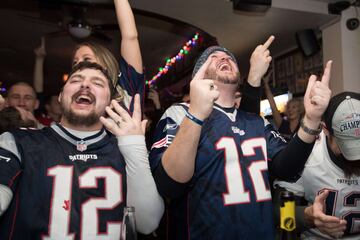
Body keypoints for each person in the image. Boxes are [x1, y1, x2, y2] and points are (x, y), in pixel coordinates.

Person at [149, 35, 333, 240]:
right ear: (199, 76)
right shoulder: (180, 114)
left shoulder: (256, 121)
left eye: (229, 57)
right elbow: (169, 186)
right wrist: (196, 115)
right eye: (213, 57)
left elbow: (286, 169)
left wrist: (312, 119)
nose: (224, 58)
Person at [0, 62, 164, 239]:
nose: (85, 85)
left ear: (110, 102)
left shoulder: (126, 149)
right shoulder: (18, 142)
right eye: (76, 80)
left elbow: (147, 223)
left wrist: (134, 145)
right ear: (61, 96)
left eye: (98, 83)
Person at [274, 91, 360, 239]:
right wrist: (307, 216)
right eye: (345, 145)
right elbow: (278, 215)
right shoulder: (307, 154)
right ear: (325, 130)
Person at [72, 0, 144, 111]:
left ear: (105, 64)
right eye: (75, 62)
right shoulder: (74, 96)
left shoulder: (124, 90)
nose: (79, 64)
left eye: (87, 59)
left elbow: (130, 37)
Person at [263, 70, 304, 139]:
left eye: (294, 107)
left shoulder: (303, 125)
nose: (290, 110)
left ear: (300, 109)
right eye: (288, 107)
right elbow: (273, 107)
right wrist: (266, 85)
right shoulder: (282, 124)